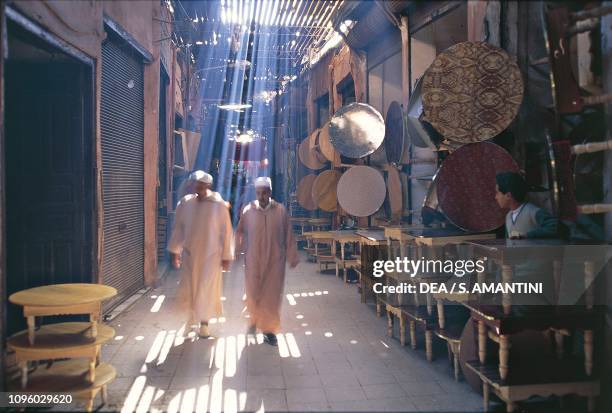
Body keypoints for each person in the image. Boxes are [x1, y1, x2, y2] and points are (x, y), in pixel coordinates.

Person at [168, 170, 233, 337]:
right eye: (196, 184)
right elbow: (179, 229)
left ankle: (204, 323)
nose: (198, 187)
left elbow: (226, 231)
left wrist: (226, 256)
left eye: (202, 185)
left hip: (211, 256)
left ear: (208, 185)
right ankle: (191, 320)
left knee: (206, 290)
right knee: (190, 289)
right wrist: (175, 251)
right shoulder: (185, 204)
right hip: (190, 255)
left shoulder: (218, 204)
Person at [235, 176, 299, 346]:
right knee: (253, 294)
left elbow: (288, 235)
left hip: (274, 262)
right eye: (258, 193)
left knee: (271, 298)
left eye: (264, 193)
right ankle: (253, 321)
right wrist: (235, 251)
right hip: (253, 260)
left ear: (270, 192)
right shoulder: (248, 211)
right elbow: (240, 231)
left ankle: (269, 331)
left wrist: (292, 255)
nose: (261, 196)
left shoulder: (280, 211)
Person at [495, 171, 559, 239]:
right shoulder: (508, 217)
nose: (496, 197)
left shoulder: (534, 212)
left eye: (497, 193)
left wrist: (528, 235)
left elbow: (555, 228)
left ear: (508, 195)